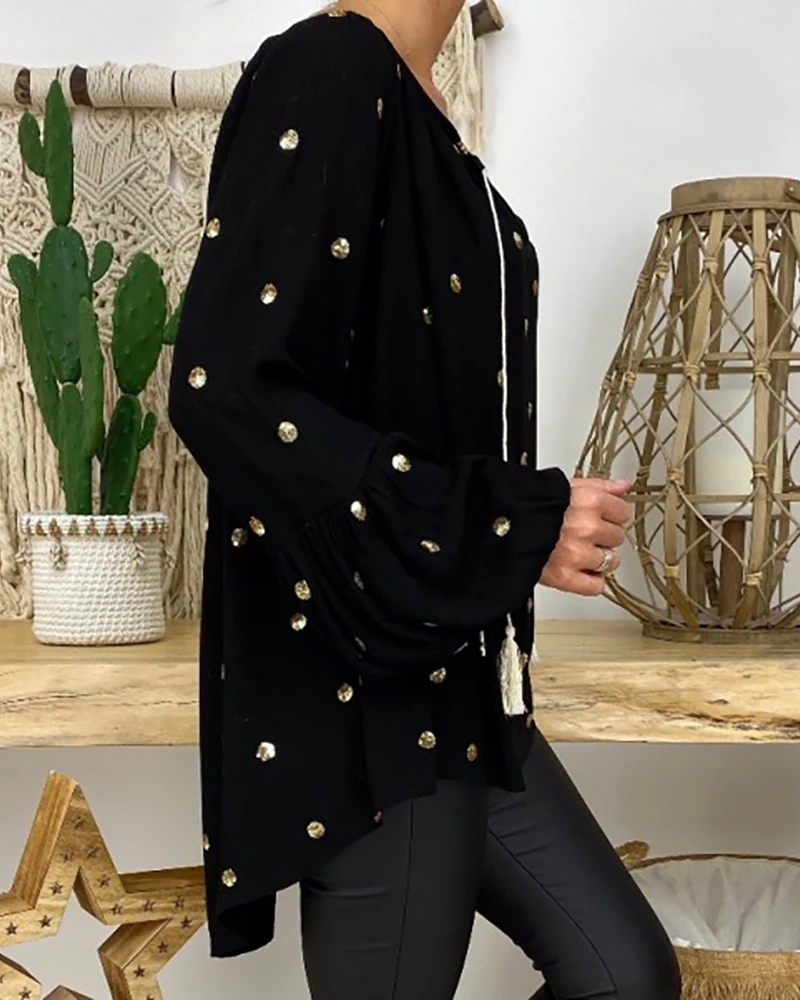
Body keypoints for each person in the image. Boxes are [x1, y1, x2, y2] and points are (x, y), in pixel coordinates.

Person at [168, 2, 683, 998]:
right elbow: (224, 387)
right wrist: (506, 525)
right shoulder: (330, 65)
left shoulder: (418, 103)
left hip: (455, 681)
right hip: (368, 693)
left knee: (623, 974)